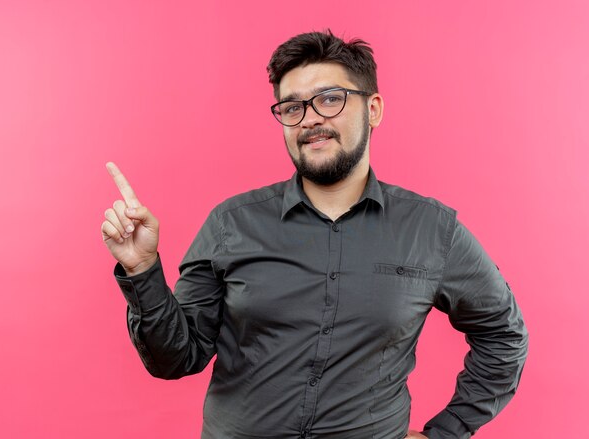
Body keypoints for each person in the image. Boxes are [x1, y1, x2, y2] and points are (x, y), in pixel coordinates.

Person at [101, 30, 528, 439]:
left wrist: (447, 432)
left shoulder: (433, 231)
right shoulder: (231, 224)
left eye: (330, 99)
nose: (310, 120)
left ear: (373, 108)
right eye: (292, 107)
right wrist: (141, 269)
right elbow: (177, 358)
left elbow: (504, 335)